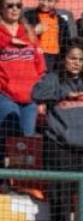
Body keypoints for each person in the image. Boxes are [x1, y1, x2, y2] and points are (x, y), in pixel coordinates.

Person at [31, 40, 83, 221]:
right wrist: (64, 93)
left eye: (80, 59)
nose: (76, 63)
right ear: (63, 60)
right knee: (59, 199)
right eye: (72, 58)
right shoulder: (53, 79)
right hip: (60, 149)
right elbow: (35, 94)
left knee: (82, 202)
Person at [0, 0, 44, 136]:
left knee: (25, 144)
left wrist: (41, 94)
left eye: (18, 6)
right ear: (1, 9)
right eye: (10, 5)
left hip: (30, 97)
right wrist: (9, 41)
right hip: (5, 94)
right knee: (8, 140)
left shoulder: (28, 32)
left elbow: (40, 64)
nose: (14, 9)